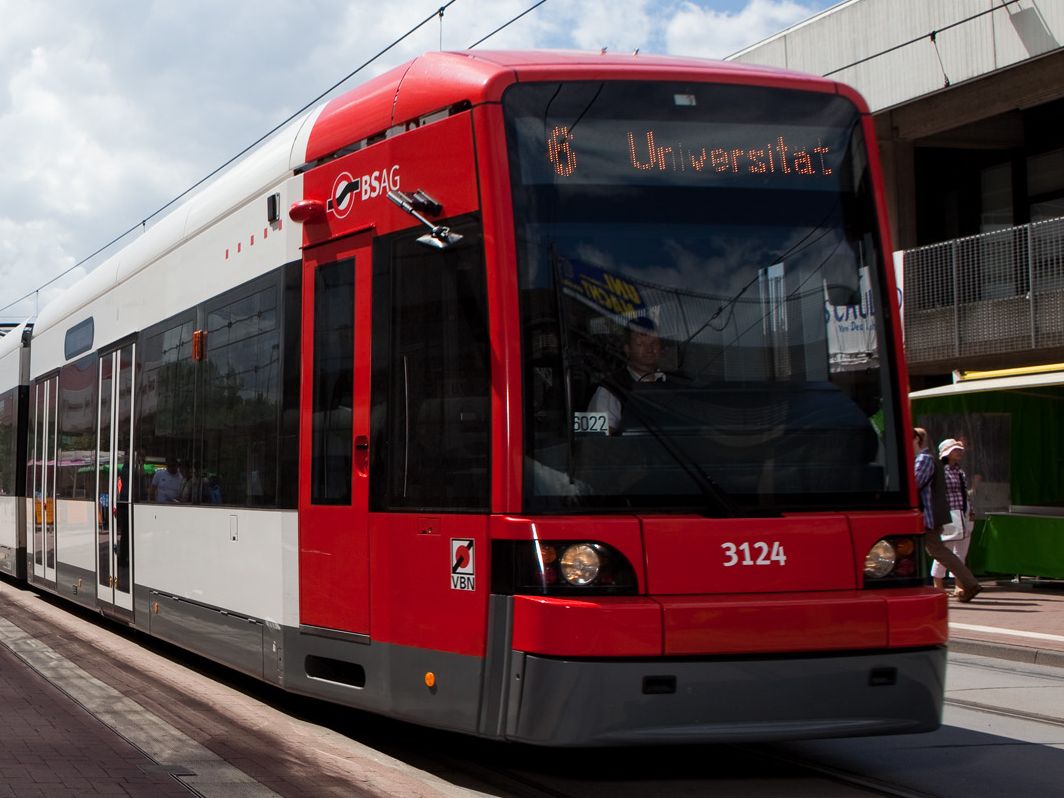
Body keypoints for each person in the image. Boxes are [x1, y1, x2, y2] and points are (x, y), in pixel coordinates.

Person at [913, 427, 982, 602]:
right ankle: (966, 583)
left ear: (916, 440)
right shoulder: (932, 462)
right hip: (939, 515)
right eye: (954, 450)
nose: (958, 453)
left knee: (941, 551)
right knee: (940, 551)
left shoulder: (924, 460)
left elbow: (914, 486)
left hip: (930, 517)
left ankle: (967, 583)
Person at [587, 317, 666, 434]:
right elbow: (596, 441)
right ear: (627, 349)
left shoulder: (673, 383)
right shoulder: (610, 389)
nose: (649, 349)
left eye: (654, 343)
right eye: (640, 343)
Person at [934, 438, 975, 593]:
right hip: (948, 513)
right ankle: (938, 584)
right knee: (946, 549)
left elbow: (964, 494)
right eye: (955, 450)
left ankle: (959, 585)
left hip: (963, 512)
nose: (958, 452)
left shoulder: (959, 471)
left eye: (959, 450)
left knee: (961, 551)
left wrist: (970, 510)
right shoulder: (939, 470)